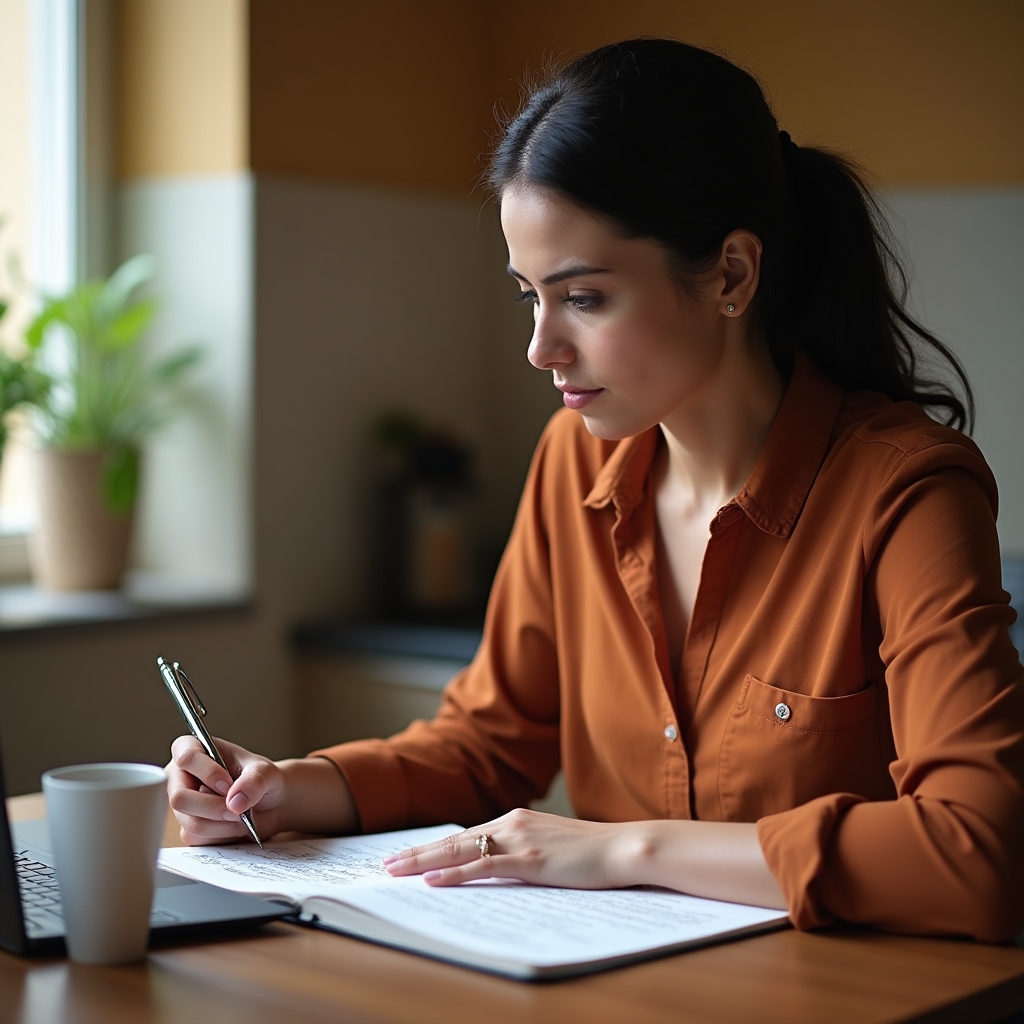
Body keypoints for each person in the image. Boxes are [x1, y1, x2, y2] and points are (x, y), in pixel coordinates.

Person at [167, 39, 1024, 942]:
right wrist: (288, 786)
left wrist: (623, 851)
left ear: (731, 273)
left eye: (584, 298)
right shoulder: (572, 463)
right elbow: (490, 741)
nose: (541, 348)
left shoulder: (907, 493)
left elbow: (983, 853)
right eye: (528, 296)